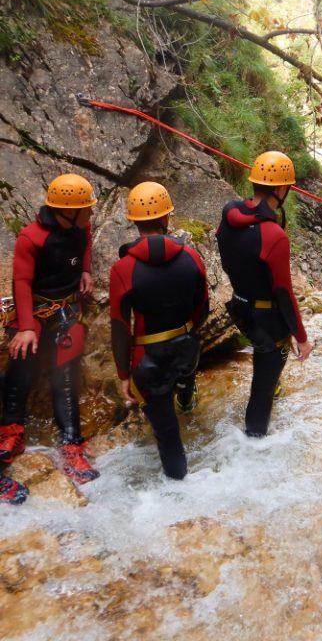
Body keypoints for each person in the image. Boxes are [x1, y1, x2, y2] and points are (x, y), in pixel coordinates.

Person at [0, 173, 99, 485]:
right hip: (36, 309)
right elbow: (22, 282)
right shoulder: (32, 238)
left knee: (65, 375)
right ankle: (11, 432)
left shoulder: (80, 225)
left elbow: (85, 243)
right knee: (22, 362)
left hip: (66, 308)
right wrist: (27, 327)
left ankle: (71, 444)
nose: (91, 212)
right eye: (87, 208)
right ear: (67, 210)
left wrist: (85, 270)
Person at [109, 182, 209, 480]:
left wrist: (124, 375)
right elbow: (202, 309)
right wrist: (187, 333)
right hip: (187, 347)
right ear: (167, 218)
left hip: (148, 359)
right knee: (184, 373)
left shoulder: (123, 269)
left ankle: (178, 493)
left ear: (134, 221)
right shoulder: (191, 257)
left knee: (168, 437)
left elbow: (119, 327)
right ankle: (187, 393)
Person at [215, 151, 313, 438]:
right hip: (266, 317)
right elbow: (284, 292)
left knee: (262, 354)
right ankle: (255, 439)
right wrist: (302, 337)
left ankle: (272, 385)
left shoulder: (229, 213)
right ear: (282, 189)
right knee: (263, 385)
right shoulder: (273, 236)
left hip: (240, 306)